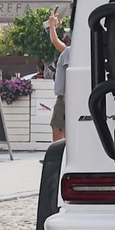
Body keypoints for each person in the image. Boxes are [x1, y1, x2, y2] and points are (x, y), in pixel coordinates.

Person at [45, 8, 70, 143]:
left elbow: (55, 42)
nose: (64, 36)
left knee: (57, 126)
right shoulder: (72, 52)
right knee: (64, 128)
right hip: (67, 97)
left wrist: (52, 26)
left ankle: (57, 155)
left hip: (64, 98)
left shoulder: (69, 51)